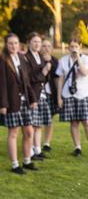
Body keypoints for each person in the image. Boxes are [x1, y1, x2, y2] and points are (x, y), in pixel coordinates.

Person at [56, 35, 88, 159]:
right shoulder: (63, 60)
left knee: (87, 122)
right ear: (68, 47)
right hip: (68, 95)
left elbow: (84, 72)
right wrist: (59, 98)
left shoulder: (86, 59)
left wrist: (78, 58)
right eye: (71, 46)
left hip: (83, 95)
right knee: (74, 123)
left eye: (76, 46)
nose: (73, 49)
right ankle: (77, 148)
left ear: (80, 47)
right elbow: (60, 80)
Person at [0, 32, 39, 174]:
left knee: (29, 131)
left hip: (25, 101)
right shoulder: (3, 60)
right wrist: (3, 104)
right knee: (14, 132)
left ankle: (27, 160)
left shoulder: (22, 58)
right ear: (6, 44)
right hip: (11, 102)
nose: (13, 46)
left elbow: (27, 81)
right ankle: (15, 165)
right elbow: (2, 84)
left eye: (15, 43)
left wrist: (33, 98)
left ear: (19, 44)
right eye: (10, 43)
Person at [25, 32, 53, 160]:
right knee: (32, 125)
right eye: (34, 42)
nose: (37, 44)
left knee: (39, 124)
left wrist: (46, 72)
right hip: (33, 95)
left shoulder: (40, 57)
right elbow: (29, 79)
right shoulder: (26, 58)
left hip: (42, 94)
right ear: (29, 42)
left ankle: (38, 150)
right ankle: (30, 152)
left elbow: (43, 79)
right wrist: (44, 72)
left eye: (39, 42)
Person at [39, 37, 58, 155]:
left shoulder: (55, 60)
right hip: (40, 93)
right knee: (38, 120)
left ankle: (46, 143)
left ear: (51, 48)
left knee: (49, 120)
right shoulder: (36, 59)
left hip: (51, 94)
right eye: (44, 45)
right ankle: (36, 144)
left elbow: (57, 77)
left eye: (48, 46)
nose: (46, 48)